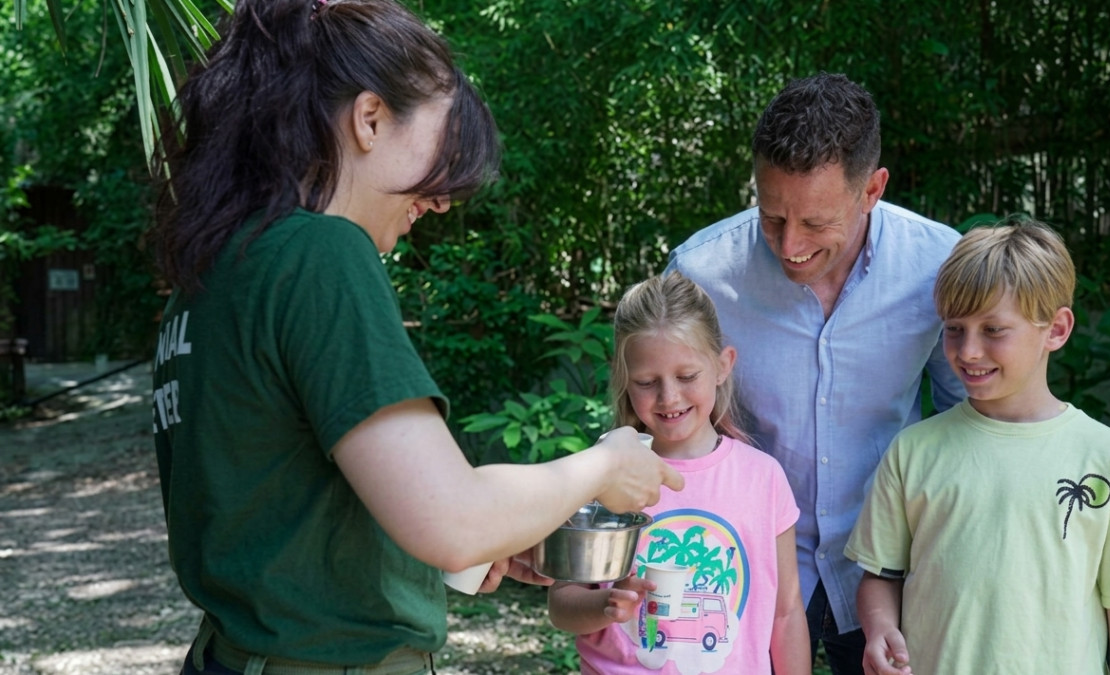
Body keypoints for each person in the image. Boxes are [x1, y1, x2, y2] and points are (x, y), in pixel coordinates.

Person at [147, 1, 684, 674]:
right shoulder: (321, 254)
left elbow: (285, 509)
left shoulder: (219, 268)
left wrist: (488, 535)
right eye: (442, 146)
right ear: (370, 118)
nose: (443, 199)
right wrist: (604, 467)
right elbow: (450, 520)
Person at [665, 72, 965, 673]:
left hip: (892, 573)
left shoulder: (939, 265)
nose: (789, 244)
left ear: (872, 189)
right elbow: (664, 426)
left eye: (815, 223)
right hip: (747, 577)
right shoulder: (700, 274)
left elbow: (968, 421)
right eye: (772, 217)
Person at [845, 219, 1110, 675]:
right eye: (954, 329)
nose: (968, 351)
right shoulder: (913, 451)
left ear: (1056, 329)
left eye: (993, 330)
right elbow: (880, 577)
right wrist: (879, 629)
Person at [548, 272, 811, 675]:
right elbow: (562, 603)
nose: (669, 397)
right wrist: (605, 605)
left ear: (723, 365)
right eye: (647, 382)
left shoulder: (763, 478)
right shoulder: (601, 473)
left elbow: (787, 613)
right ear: (623, 380)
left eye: (687, 377)